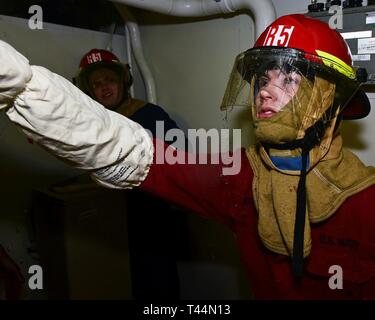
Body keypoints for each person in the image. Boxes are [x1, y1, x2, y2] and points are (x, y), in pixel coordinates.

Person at [1, 14, 375, 299]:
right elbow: (137, 154)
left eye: (288, 79)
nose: (265, 91)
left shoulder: (367, 202)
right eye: (262, 80)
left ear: (327, 98)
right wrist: (27, 91)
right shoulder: (241, 178)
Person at [73, 49, 190, 299]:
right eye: (97, 83)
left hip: (150, 218)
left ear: (122, 82)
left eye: (110, 80)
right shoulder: (94, 123)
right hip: (111, 221)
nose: (105, 88)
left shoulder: (148, 114)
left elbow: (181, 156)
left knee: (158, 284)